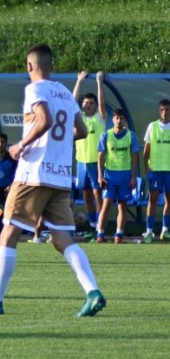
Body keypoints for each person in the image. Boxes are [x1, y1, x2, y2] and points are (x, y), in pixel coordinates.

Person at [0, 44, 106, 317]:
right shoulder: (65, 92)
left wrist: (20, 146)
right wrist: (57, 143)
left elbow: (44, 119)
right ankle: (93, 292)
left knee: (9, 231)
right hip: (61, 177)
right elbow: (82, 130)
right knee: (62, 238)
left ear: (30, 66)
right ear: (51, 65)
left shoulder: (34, 90)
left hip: (34, 173)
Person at [93, 109, 139, 244]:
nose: (119, 121)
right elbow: (100, 156)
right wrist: (100, 176)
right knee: (106, 205)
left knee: (122, 206)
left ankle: (118, 234)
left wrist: (133, 177)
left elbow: (135, 156)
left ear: (125, 121)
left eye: (122, 119)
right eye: (117, 118)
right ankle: (100, 233)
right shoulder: (105, 136)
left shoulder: (131, 136)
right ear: (113, 120)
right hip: (110, 176)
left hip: (125, 176)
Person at [72, 71, 107, 236]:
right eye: (86, 103)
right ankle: (93, 224)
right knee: (85, 194)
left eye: (91, 103)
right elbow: (72, 102)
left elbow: (102, 104)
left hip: (95, 163)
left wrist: (99, 82)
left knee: (97, 194)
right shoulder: (80, 119)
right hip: (81, 162)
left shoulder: (99, 118)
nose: (88, 106)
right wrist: (79, 80)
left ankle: (101, 226)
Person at [142, 99, 170, 243]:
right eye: (162, 110)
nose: (165, 112)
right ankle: (149, 231)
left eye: (167, 109)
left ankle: (165, 230)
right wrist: (147, 169)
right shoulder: (152, 126)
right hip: (156, 170)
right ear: (159, 111)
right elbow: (146, 151)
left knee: (169, 201)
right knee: (152, 201)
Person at [0, 133, 18, 239]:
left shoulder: (11, 159)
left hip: (8, 189)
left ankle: (7, 229)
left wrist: (11, 185)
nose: (0, 144)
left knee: (9, 207)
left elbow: (18, 174)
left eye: (2, 142)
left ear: (6, 144)